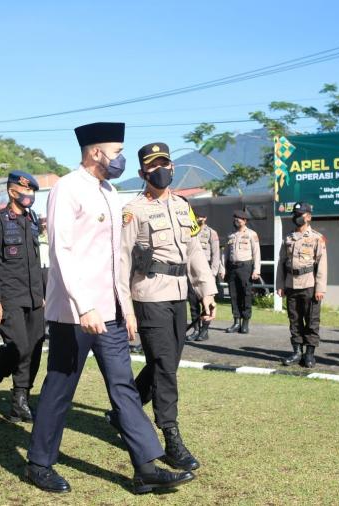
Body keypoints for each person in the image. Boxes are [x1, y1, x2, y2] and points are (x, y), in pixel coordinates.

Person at [26, 123, 194, 495]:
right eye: (116, 152)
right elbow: (61, 252)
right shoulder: (68, 189)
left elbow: (117, 257)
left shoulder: (109, 190)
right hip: (75, 313)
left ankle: (146, 467)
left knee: (123, 386)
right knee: (60, 387)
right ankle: (39, 463)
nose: (119, 158)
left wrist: (126, 307)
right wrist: (84, 306)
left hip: (111, 310)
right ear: (95, 152)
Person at [115, 142, 217, 472]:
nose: (162, 170)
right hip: (148, 294)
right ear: (144, 173)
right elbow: (120, 259)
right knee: (163, 366)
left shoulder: (182, 206)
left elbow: (195, 250)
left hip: (179, 293)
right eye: (155, 165)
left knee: (167, 363)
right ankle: (171, 436)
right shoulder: (133, 210)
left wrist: (207, 291)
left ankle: (123, 411)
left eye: (166, 164)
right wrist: (126, 307)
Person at [0, 171, 45, 423]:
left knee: (34, 346)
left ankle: (20, 400)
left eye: (33, 192)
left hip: (33, 296)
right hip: (8, 296)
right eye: (26, 191)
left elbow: (36, 262)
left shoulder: (32, 219)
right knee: (19, 347)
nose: (30, 196)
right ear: (12, 192)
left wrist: (42, 295)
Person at [276, 202, 327, 368]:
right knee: (294, 320)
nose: (297, 217)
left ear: (308, 217)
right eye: (295, 214)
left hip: (309, 285)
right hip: (291, 284)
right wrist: (280, 284)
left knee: (311, 320)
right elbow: (281, 263)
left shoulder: (317, 238)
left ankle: (309, 354)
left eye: (300, 214)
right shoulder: (288, 238)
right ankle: (297, 351)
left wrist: (320, 288)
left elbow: (322, 265)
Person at [224, 210, 260, 334]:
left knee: (246, 294)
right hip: (232, 268)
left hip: (245, 267)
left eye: (239, 219)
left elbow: (256, 253)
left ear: (245, 221)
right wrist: (223, 269)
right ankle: (236, 322)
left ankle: (245, 323)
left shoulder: (252, 234)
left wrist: (257, 270)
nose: (236, 221)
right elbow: (226, 254)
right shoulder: (231, 235)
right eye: (235, 219)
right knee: (233, 295)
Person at [186, 210, 220, 342]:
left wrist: (213, 273)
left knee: (207, 304)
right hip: (192, 274)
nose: (200, 218)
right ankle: (196, 329)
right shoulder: (190, 230)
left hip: (206, 273)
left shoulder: (211, 232)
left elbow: (216, 254)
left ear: (205, 218)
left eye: (202, 216)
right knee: (193, 304)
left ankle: (205, 330)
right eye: (197, 216)